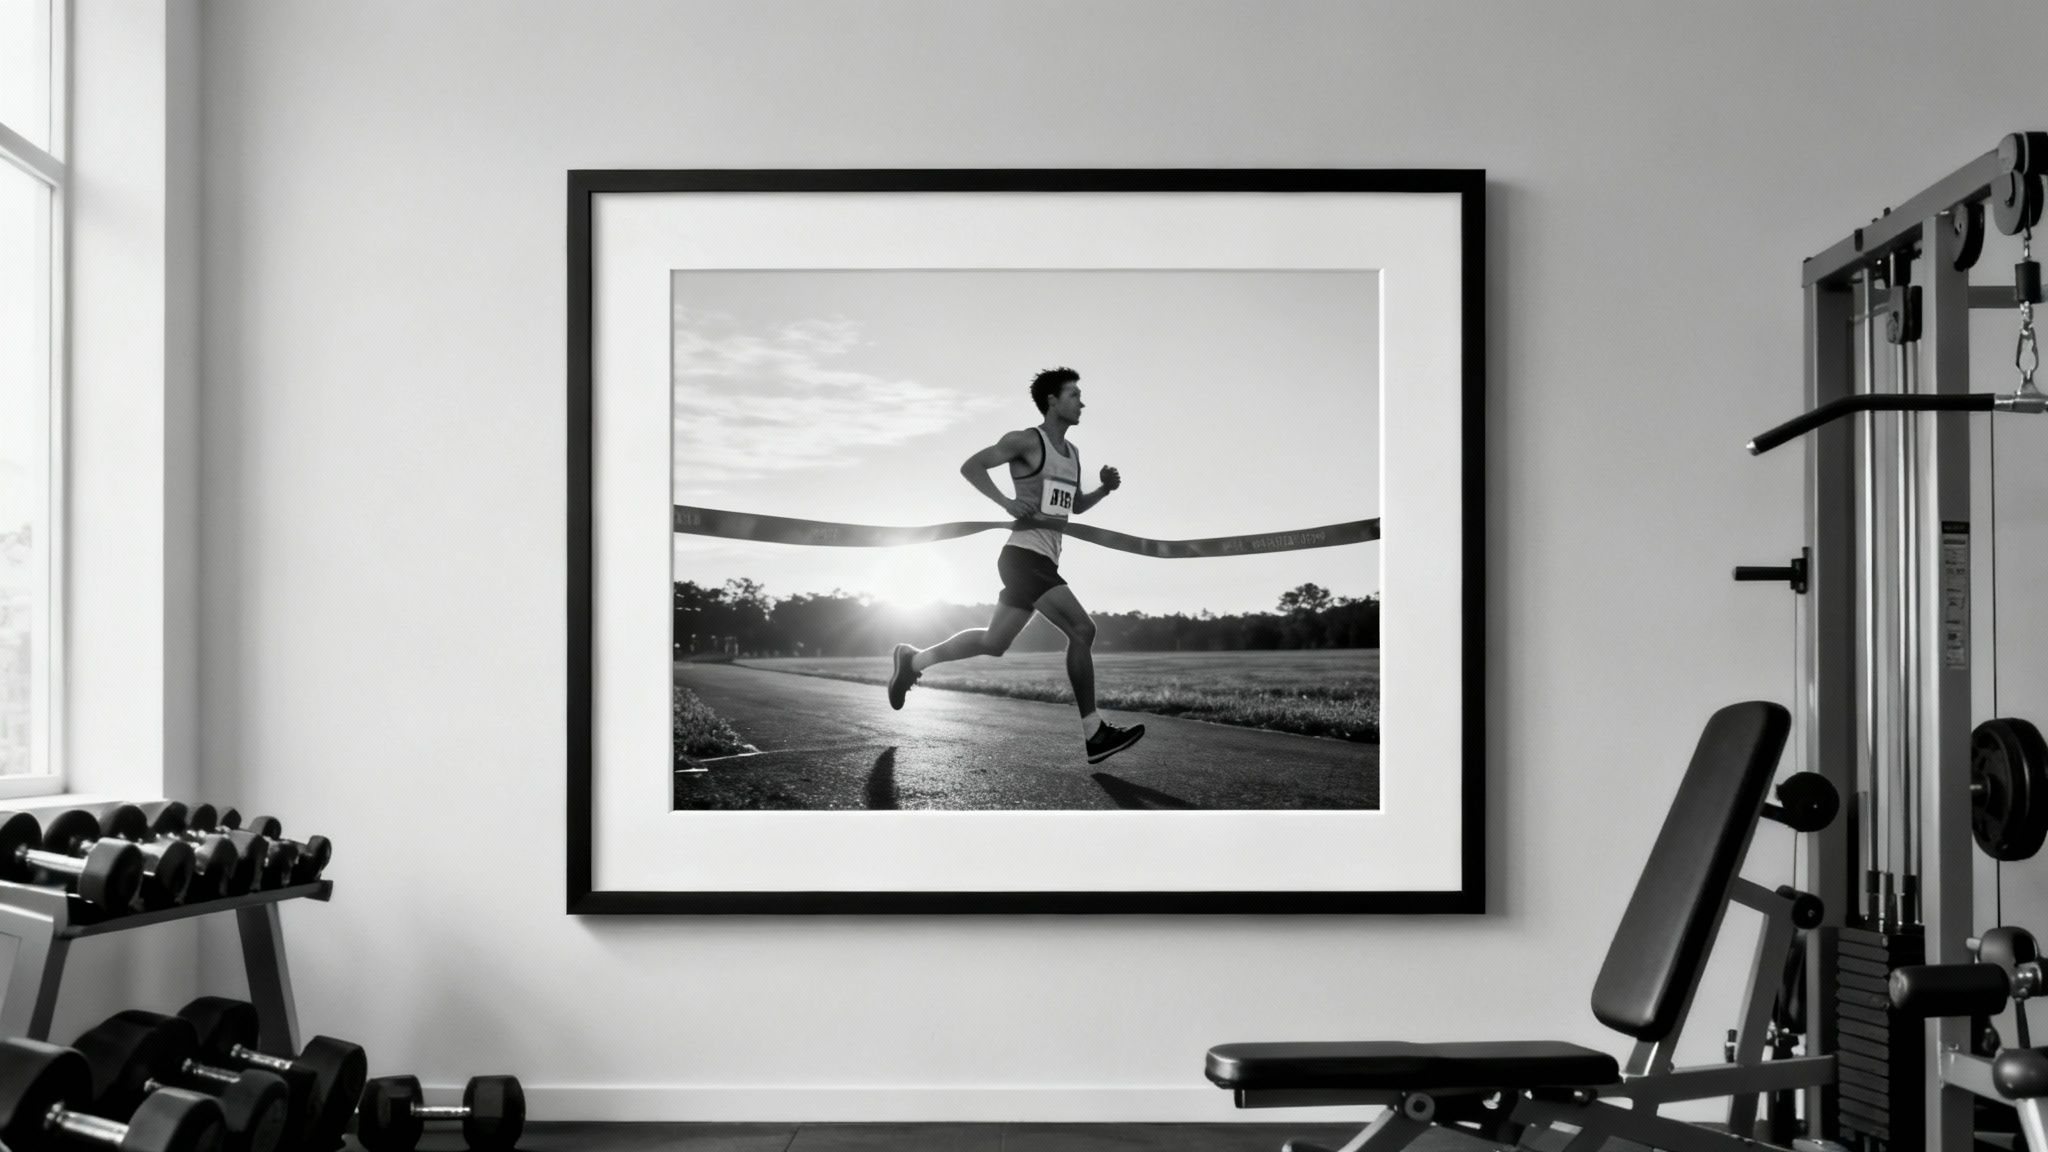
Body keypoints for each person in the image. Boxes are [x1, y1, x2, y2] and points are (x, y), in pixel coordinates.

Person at [887, 367, 1146, 765]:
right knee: (1083, 629)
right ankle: (1094, 732)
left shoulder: (1073, 454)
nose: (1082, 402)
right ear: (1052, 401)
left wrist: (1104, 490)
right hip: (1024, 557)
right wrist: (1006, 504)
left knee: (994, 644)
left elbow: (1073, 507)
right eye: (1074, 394)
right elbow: (972, 466)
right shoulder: (1026, 441)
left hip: (1042, 559)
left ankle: (913, 660)